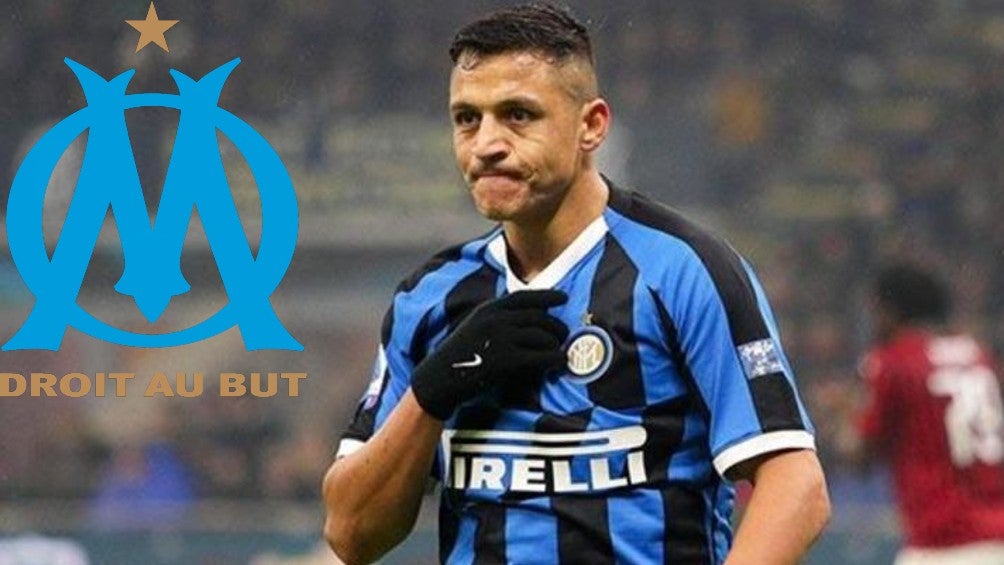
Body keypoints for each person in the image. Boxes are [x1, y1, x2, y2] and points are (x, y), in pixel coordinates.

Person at [322, 4, 829, 564]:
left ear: (591, 126)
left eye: (518, 115)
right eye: (467, 118)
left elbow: (796, 487)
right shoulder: (430, 298)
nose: (486, 143)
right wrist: (432, 393)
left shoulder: (683, 271)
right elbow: (351, 533)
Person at [837, 262, 1004, 564]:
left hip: (943, 545)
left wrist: (847, 410)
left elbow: (859, 456)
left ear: (890, 311)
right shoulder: (977, 355)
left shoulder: (893, 361)